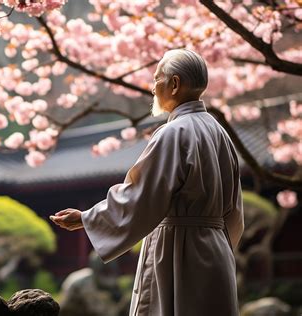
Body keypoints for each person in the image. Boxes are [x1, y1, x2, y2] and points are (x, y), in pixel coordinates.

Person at [50, 49, 244, 316]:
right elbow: (235, 211)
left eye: (157, 78)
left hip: (179, 252)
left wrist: (86, 217)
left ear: (174, 84)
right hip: (217, 250)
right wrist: (218, 241)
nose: (153, 87)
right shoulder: (219, 133)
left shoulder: (174, 133)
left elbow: (141, 196)